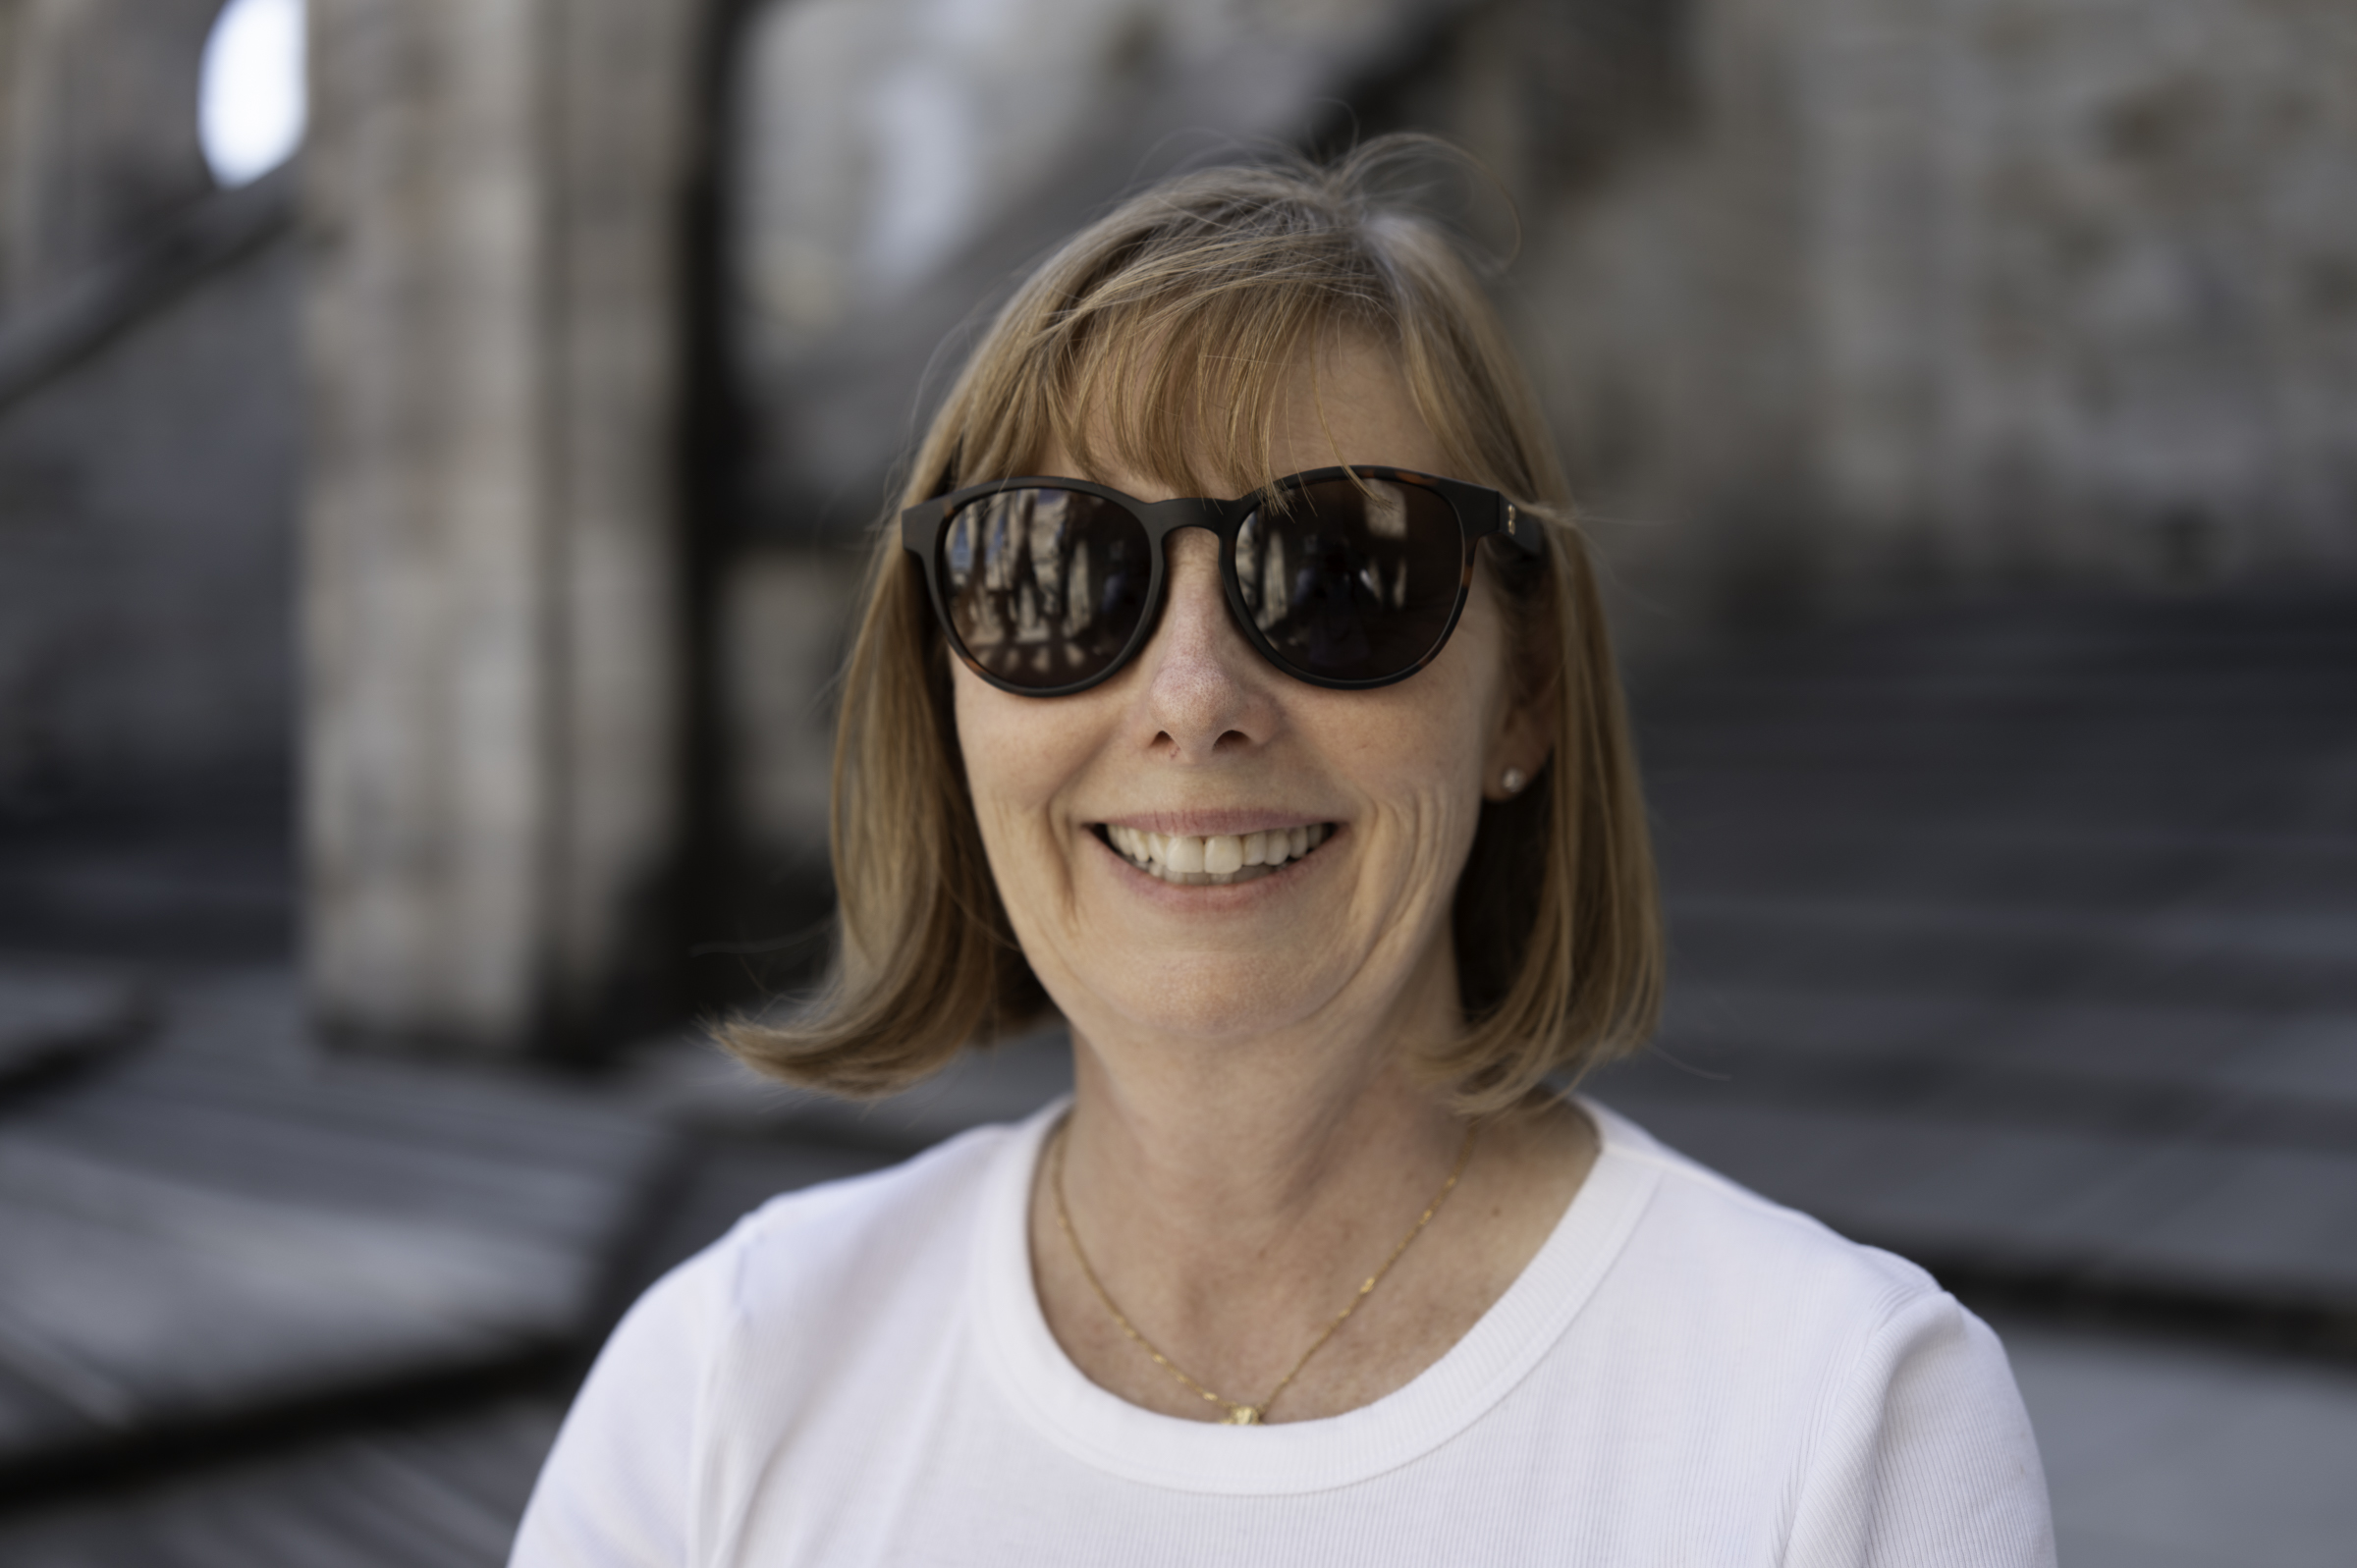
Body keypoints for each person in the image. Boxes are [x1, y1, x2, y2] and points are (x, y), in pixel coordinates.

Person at [512, 139, 2055, 1566]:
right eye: (1058, 573)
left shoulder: (1845, 1425)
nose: (1192, 700)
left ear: (1521, 695)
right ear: (950, 694)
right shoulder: (726, 1376)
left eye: (1338, 570)